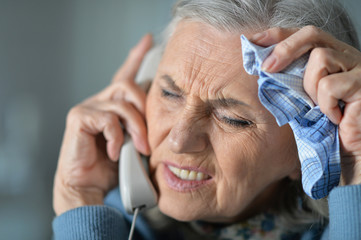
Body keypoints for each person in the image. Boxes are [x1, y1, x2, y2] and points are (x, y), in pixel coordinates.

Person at [52, 0, 361, 239]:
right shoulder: (111, 223)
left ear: (310, 145)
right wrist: (79, 197)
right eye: (169, 93)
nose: (179, 139)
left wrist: (357, 163)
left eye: (233, 119)